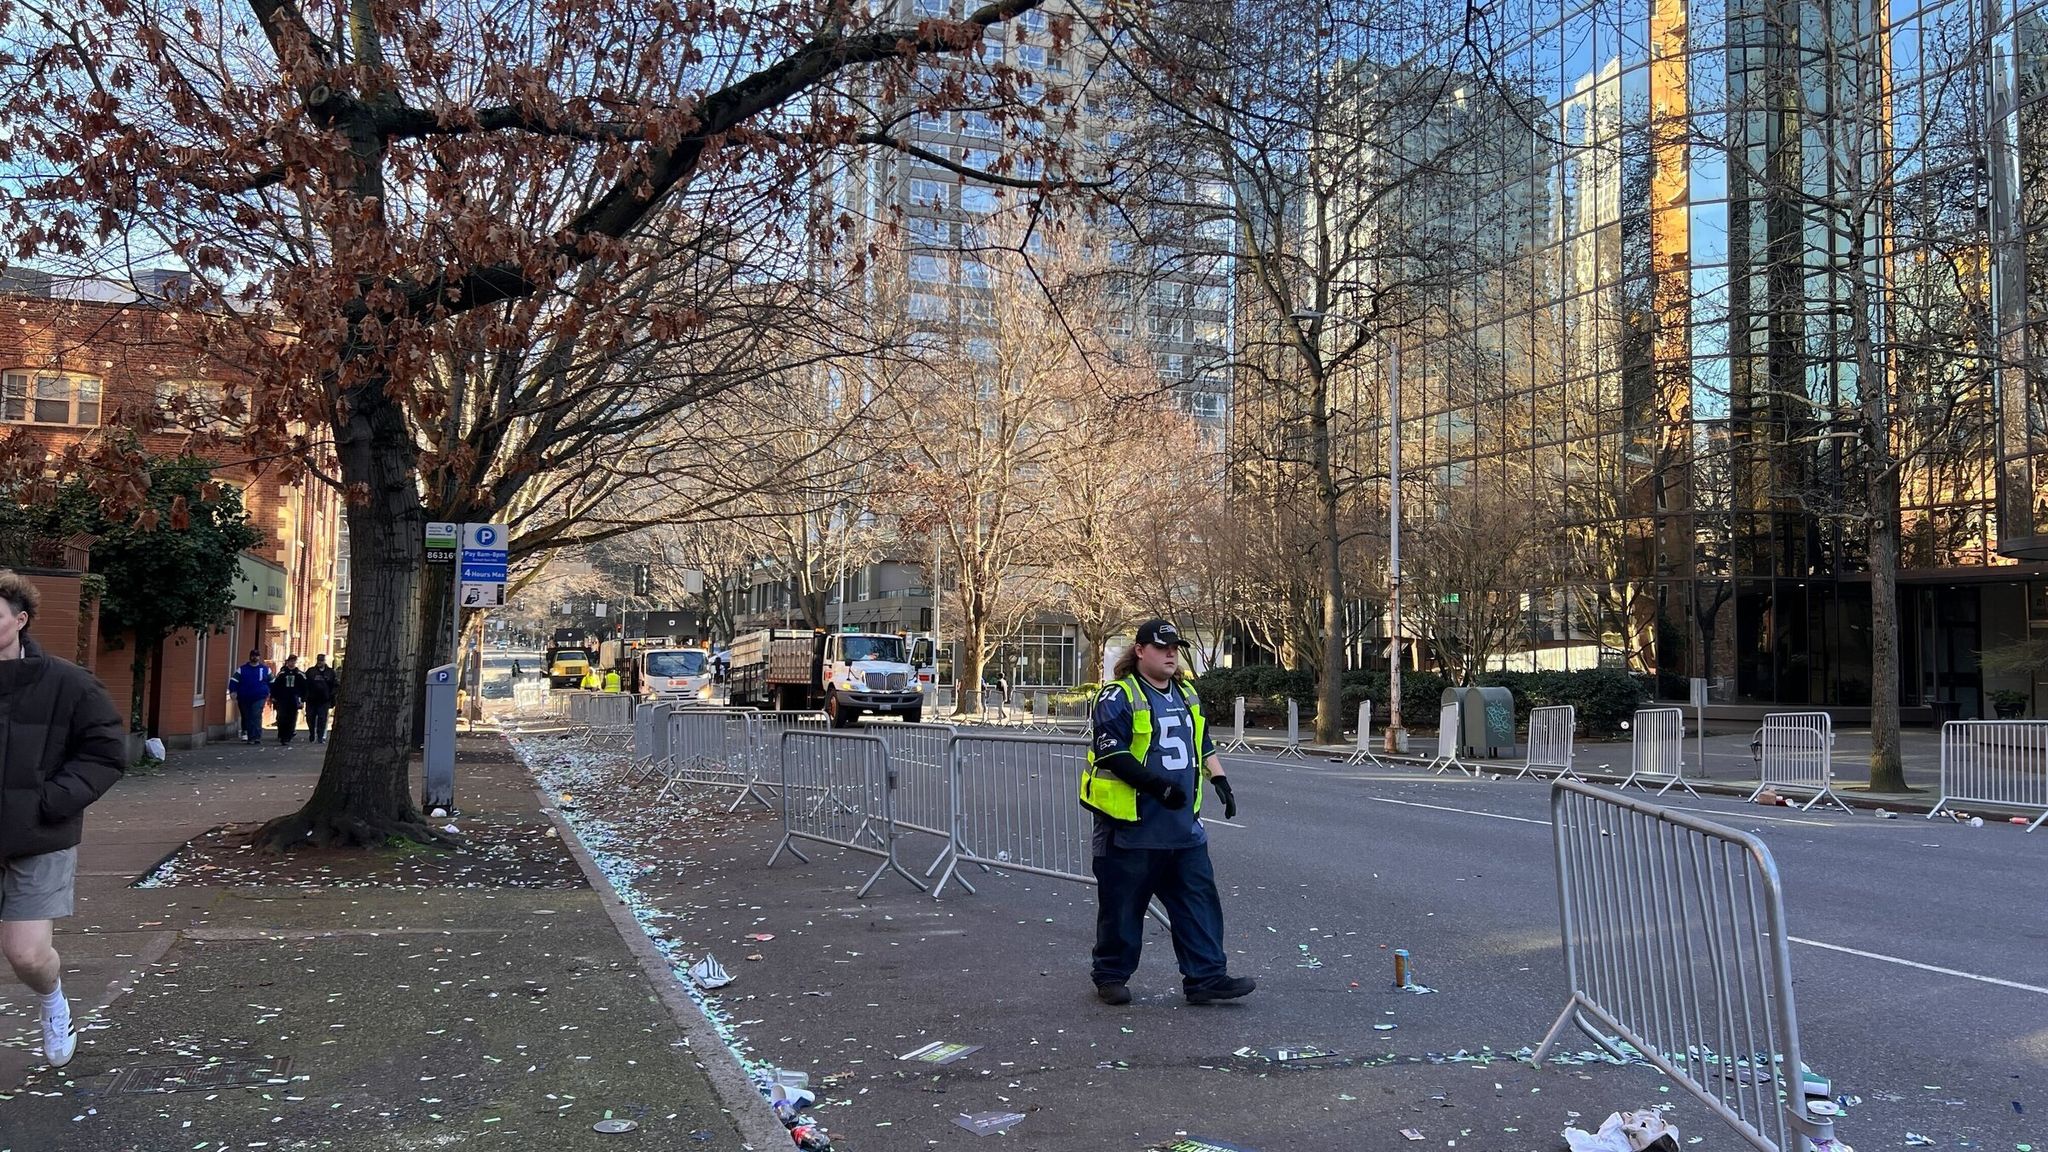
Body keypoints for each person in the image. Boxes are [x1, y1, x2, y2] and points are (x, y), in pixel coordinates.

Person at [1079, 618, 1252, 1007]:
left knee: (1198, 903)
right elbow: (1111, 752)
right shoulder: (1117, 696)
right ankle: (1110, 974)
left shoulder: (1187, 693)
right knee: (1122, 909)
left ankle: (1206, 977)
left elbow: (1201, 742)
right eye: (1162, 646)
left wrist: (1220, 779)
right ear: (1140, 650)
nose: (1171, 653)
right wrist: (1158, 787)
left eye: (1175, 646)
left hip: (1181, 828)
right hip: (1130, 827)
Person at [0, 571, 126, 1069]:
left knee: (27, 954)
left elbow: (105, 753)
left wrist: (50, 801)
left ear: (20, 619)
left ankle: (53, 1002)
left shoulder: (69, 684)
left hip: (39, 834)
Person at [229, 650, 272, 744]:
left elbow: (272, 681)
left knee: (255, 714)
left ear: (259, 657)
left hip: (259, 696)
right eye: (253, 656)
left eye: (256, 656)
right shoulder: (242, 669)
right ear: (250, 657)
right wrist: (233, 691)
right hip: (244, 697)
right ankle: (251, 734)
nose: (255, 657)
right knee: (247, 716)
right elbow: (234, 680)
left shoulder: (265, 669)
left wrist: (272, 693)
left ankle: (255, 736)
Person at [303, 654, 338, 744]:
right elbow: (305, 684)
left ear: (324, 661)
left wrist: (331, 695)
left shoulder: (330, 672)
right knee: (310, 718)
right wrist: (305, 696)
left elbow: (335, 685)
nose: (320, 662)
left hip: (324, 700)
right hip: (311, 699)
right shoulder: (311, 671)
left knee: (322, 719)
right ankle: (312, 733)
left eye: (321, 661)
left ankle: (320, 736)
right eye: (319, 660)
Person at [271, 655, 304, 744]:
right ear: (287, 662)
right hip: (283, 699)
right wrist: (274, 696)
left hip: (294, 699)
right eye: (290, 661)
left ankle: (288, 735)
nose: (292, 663)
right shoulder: (282, 674)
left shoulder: (299, 674)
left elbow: (304, 687)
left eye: (293, 661)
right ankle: (282, 734)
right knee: (282, 717)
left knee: (292, 718)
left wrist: (302, 700)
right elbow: (275, 685)